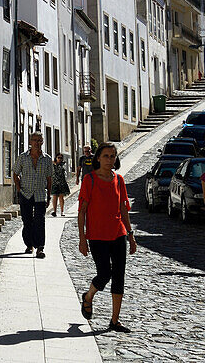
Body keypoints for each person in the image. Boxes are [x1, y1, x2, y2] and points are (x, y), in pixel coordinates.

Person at [77, 142, 136, 332]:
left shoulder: (119, 180)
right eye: (106, 156)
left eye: (113, 156)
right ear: (98, 158)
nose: (110, 160)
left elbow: (123, 209)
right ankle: (88, 296)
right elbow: (82, 211)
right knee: (104, 274)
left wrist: (131, 235)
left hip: (118, 234)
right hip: (97, 236)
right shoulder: (90, 180)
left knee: (119, 276)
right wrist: (82, 238)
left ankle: (115, 320)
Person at [13, 132, 55, 257]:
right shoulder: (22, 157)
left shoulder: (47, 159)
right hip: (25, 194)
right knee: (27, 221)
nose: (37, 143)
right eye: (35, 140)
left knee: (40, 221)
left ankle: (40, 247)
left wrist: (48, 196)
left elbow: (49, 178)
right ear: (30, 142)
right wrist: (19, 189)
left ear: (42, 142)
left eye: (39, 140)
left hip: (40, 194)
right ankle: (29, 244)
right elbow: (15, 173)